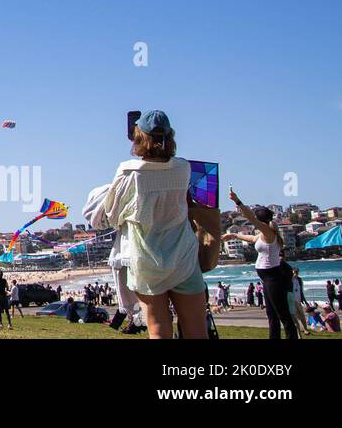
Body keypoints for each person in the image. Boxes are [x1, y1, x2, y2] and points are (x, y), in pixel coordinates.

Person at [95, 110, 207, 340]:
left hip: (146, 260)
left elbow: (113, 215)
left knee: (158, 329)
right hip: (183, 256)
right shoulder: (184, 168)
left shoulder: (128, 171)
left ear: (138, 137)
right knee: (197, 332)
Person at [222, 191, 298, 340]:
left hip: (273, 278)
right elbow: (251, 238)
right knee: (271, 315)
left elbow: (250, 217)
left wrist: (237, 201)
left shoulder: (268, 232)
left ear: (260, 220)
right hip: (268, 279)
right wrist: (234, 235)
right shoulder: (264, 234)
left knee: (283, 315)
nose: (254, 220)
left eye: (256, 218)